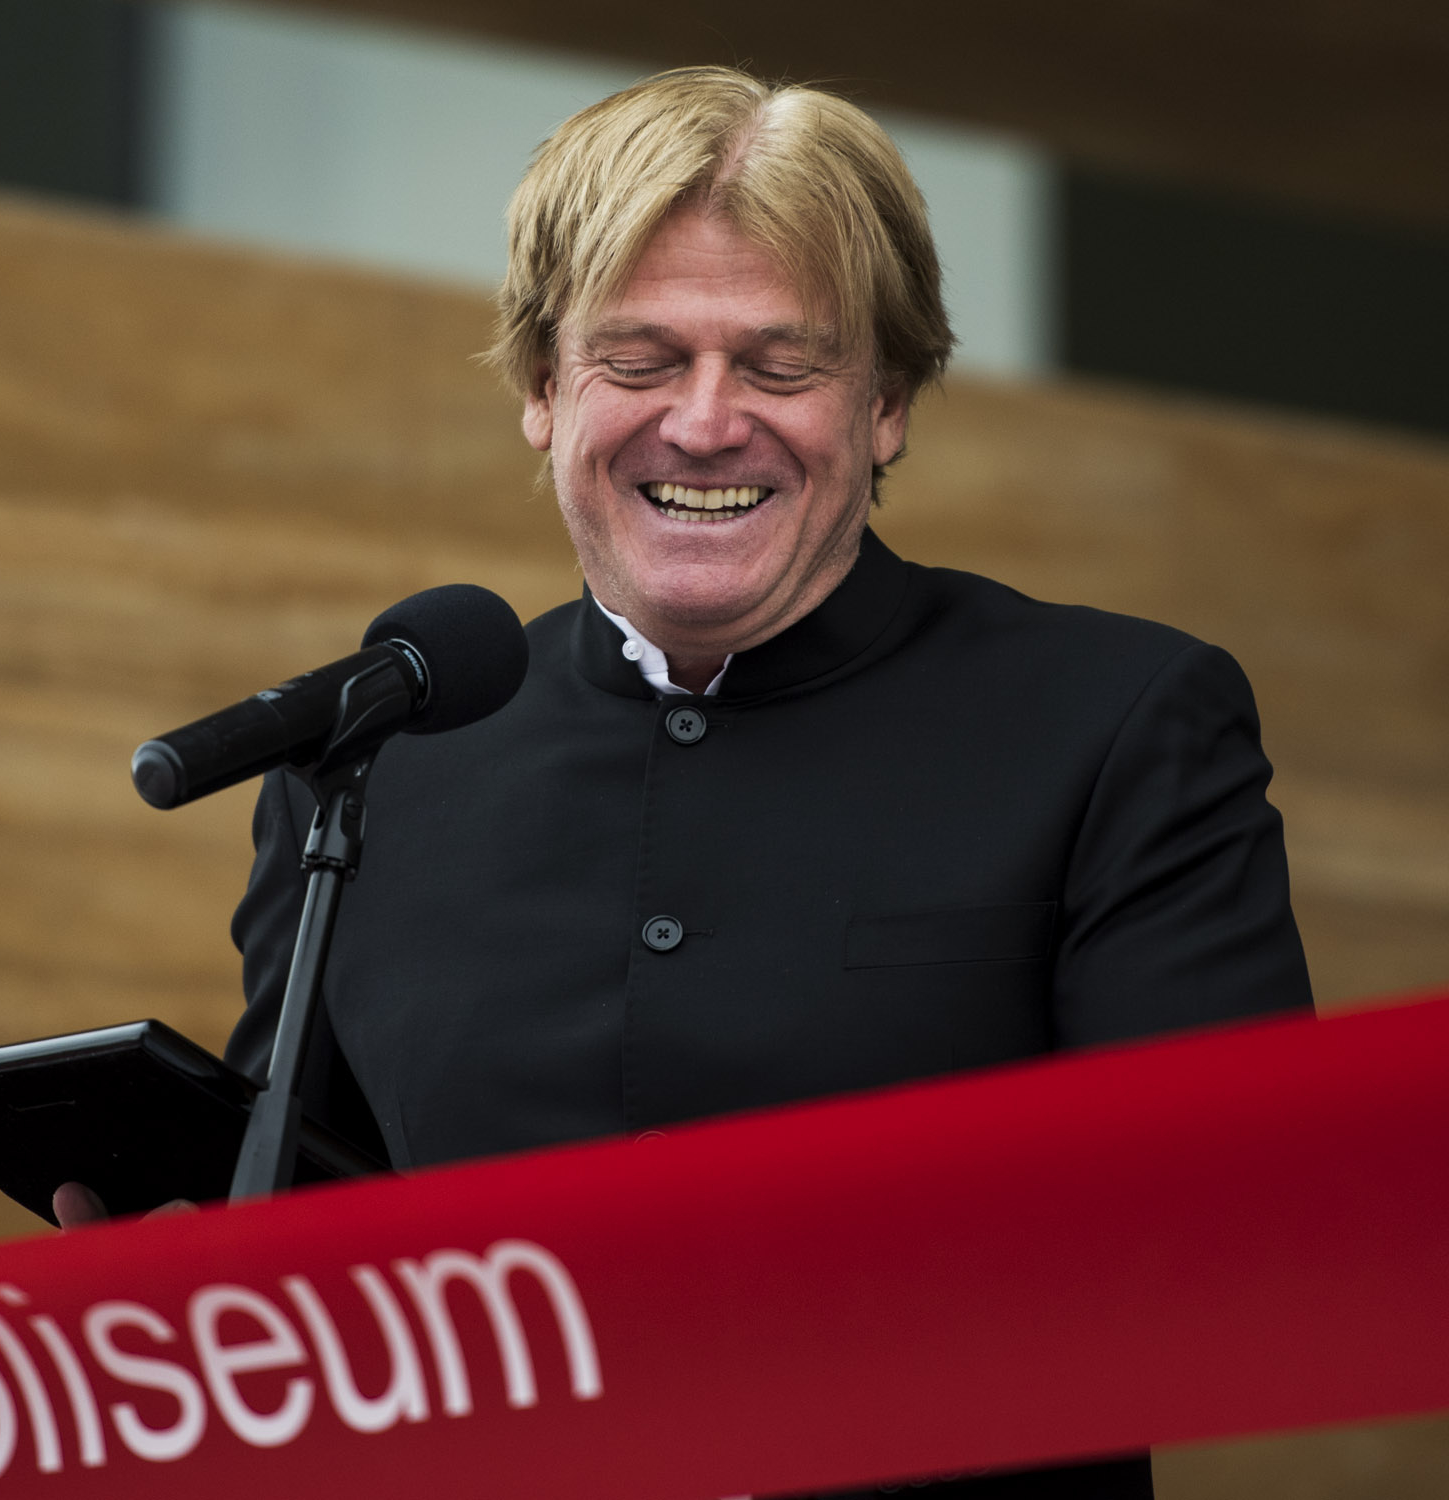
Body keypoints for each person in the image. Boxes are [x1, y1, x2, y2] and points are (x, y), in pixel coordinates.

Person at [76, 66, 1313, 1498]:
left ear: (887, 403)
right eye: (641, 359)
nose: (708, 423)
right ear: (545, 391)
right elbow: (316, 1267)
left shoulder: (1121, 723)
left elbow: (1236, 1249)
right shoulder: (372, 765)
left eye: (781, 368)